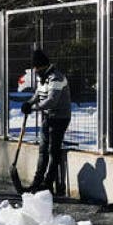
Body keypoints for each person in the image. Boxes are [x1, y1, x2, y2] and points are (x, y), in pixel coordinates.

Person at [20, 48, 70, 194]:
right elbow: (38, 94)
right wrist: (29, 103)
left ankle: (48, 184)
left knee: (53, 151)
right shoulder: (42, 77)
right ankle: (37, 182)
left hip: (60, 117)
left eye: (36, 67)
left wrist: (34, 108)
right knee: (43, 151)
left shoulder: (56, 77)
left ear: (43, 65)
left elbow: (52, 101)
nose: (35, 70)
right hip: (48, 117)